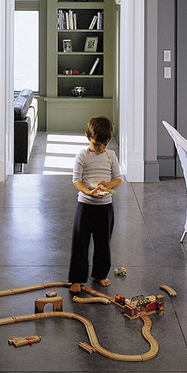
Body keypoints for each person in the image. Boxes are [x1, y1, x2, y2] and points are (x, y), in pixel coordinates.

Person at [69, 116, 123, 293]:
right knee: (80, 242)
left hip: (105, 207)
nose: (101, 148)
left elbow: (118, 179)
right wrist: (88, 192)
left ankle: (100, 275)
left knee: (103, 243)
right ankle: (77, 279)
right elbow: (76, 180)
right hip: (85, 205)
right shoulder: (82, 155)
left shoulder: (111, 156)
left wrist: (108, 185)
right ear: (88, 137)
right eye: (97, 144)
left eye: (105, 144)